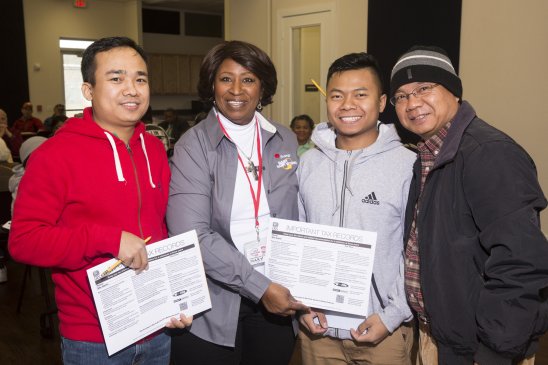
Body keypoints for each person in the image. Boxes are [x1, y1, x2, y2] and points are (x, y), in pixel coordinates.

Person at [8, 36, 191, 364]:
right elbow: (23, 241)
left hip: (156, 325)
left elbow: (161, 229)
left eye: (140, 78)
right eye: (116, 78)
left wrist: (175, 295)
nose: (132, 89)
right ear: (89, 91)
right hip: (94, 339)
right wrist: (107, 239)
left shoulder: (154, 150)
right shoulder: (55, 155)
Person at [390, 45, 548, 365]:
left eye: (424, 88)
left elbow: (522, 263)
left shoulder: (489, 154)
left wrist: (492, 352)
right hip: (438, 338)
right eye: (401, 96)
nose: (412, 102)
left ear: (454, 92)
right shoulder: (427, 154)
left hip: (480, 348)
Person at [167, 40, 308, 365]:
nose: (236, 90)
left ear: (263, 88)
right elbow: (192, 236)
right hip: (216, 301)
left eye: (248, 79)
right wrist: (258, 287)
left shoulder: (284, 138)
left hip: (277, 292)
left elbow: (298, 214)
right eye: (225, 78)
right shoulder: (194, 145)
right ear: (212, 86)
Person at [297, 52, 415, 365]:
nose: (347, 105)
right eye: (337, 95)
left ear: (381, 102)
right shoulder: (307, 164)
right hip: (317, 331)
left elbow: (417, 250)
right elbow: (300, 239)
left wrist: (392, 316)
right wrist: (302, 307)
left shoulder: (407, 165)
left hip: (383, 331)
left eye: (361, 94)